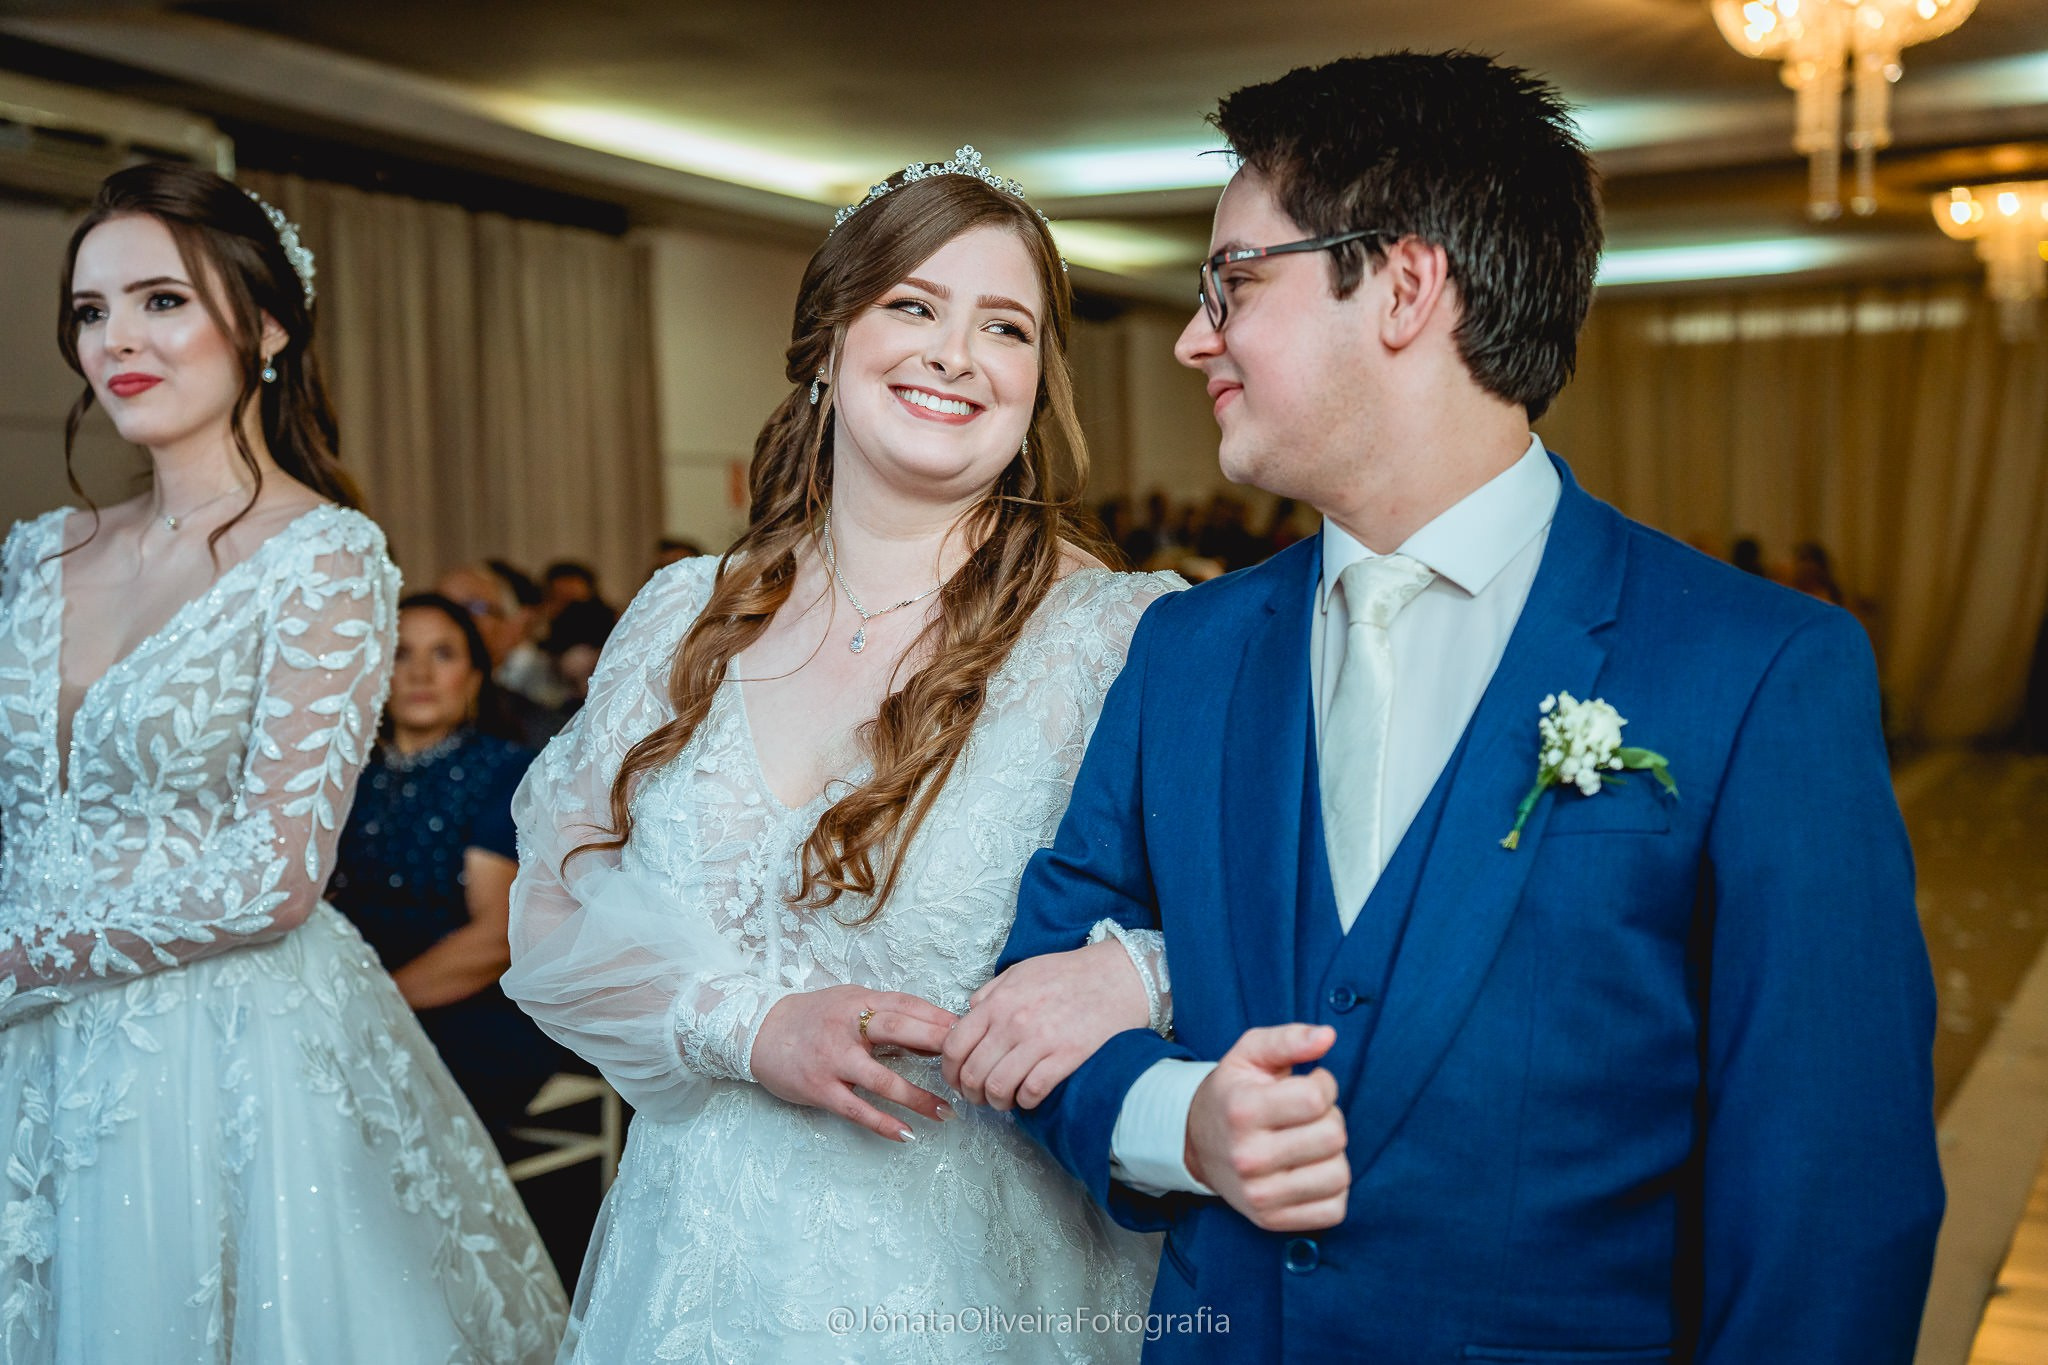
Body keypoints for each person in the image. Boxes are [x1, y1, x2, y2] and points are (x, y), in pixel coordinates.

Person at [950, 54, 1942, 1363]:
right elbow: (1032, 997)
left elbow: (1831, 1204)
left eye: (1233, 281)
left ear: (1405, 287)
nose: (1195, 336)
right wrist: (1176, 1119)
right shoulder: (1183, 652)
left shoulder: (1757, 671)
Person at [503, 147, 1175, 1362]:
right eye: (913, 306)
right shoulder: (681, 615)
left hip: (969, 1282)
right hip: (692, 1263)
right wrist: (744, 1026)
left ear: (1038, 384)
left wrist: (1135, 976)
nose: (954, 354)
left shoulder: (1117, 639)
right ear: (826, 341)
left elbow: (1250, 931)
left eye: (1004, 327)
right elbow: (551, 911)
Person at [0, 163, 565, 1361]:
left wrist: (19, 957)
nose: (116, 340)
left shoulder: (323, 556)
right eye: (92, 311)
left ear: (264, 328)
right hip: (24, 1036)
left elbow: (273, 874)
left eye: (161, 301)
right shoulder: (38, 553)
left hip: (205, 1039)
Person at [328, 591, 570, 1151]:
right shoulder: (344, 773)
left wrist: (373, 1006)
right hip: (347, 991)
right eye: (400, 654)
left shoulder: (505, 771)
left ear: (475, 676)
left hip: (466, 1007)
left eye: (443, 654)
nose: (420, 674)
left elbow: (495, 938)